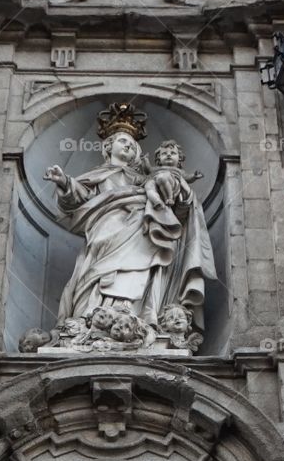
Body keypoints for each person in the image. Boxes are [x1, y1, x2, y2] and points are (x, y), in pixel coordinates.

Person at [44, 126, 214, 337]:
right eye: (123, 141)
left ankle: (133, 316)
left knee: (136, 272)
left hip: (139, 231)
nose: (128, 145)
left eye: (132, 145)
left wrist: (178, 188)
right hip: (104, 231)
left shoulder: (142, 178)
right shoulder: (97, 175)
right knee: (97, 274)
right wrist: (64, 182)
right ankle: (89, 316)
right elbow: (78, 202)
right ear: (108, 147)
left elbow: (173, 203)